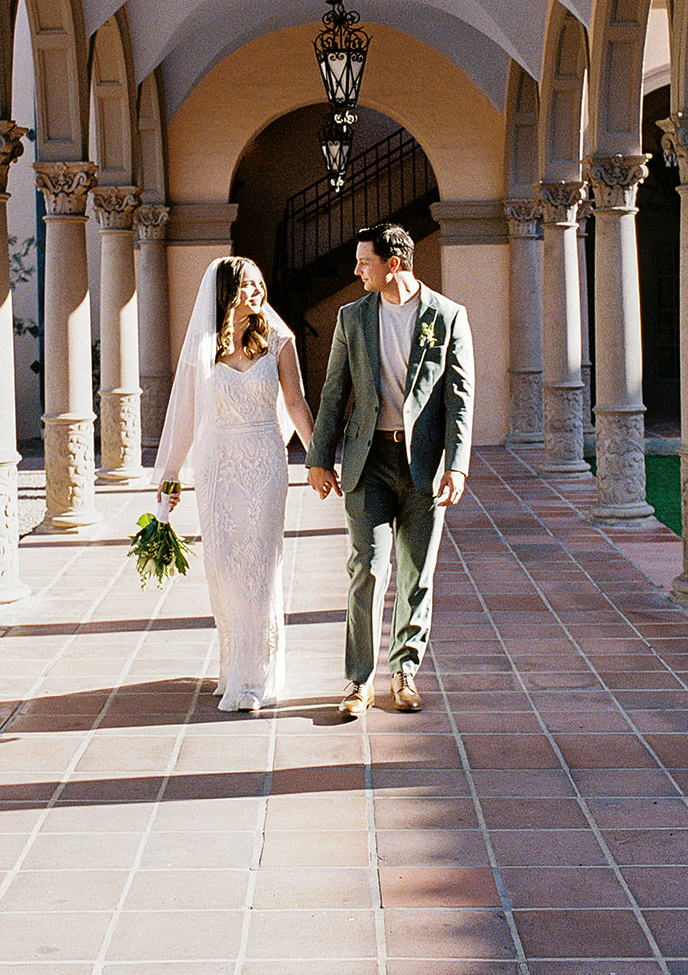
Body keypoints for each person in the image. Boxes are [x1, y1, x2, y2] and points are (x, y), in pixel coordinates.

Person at [306, 222, 474, 717]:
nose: (356, 270)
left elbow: (460, 401)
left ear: (392, 264)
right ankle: (358, 681)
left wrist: (458, 467)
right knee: (367, 568)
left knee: (418, 573)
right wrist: (319, 457)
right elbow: (335, 392)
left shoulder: (447, 317)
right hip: (368, 459)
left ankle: (404, 672)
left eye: (364, 262)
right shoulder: (351, 318)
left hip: (424, 464)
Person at [153, 256, 313, 713]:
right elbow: (185, 414)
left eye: (259, 284)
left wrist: (318, 457)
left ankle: (255, 679)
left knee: (259, 569)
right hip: (218, 465)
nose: (256, 292)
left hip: (264, 464)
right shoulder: (203, 348)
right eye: (246, 285)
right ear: (226, 293)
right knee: (224, 569)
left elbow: (297, 404)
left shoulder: (279, 341)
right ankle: (234, 668)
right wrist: (170, 475)